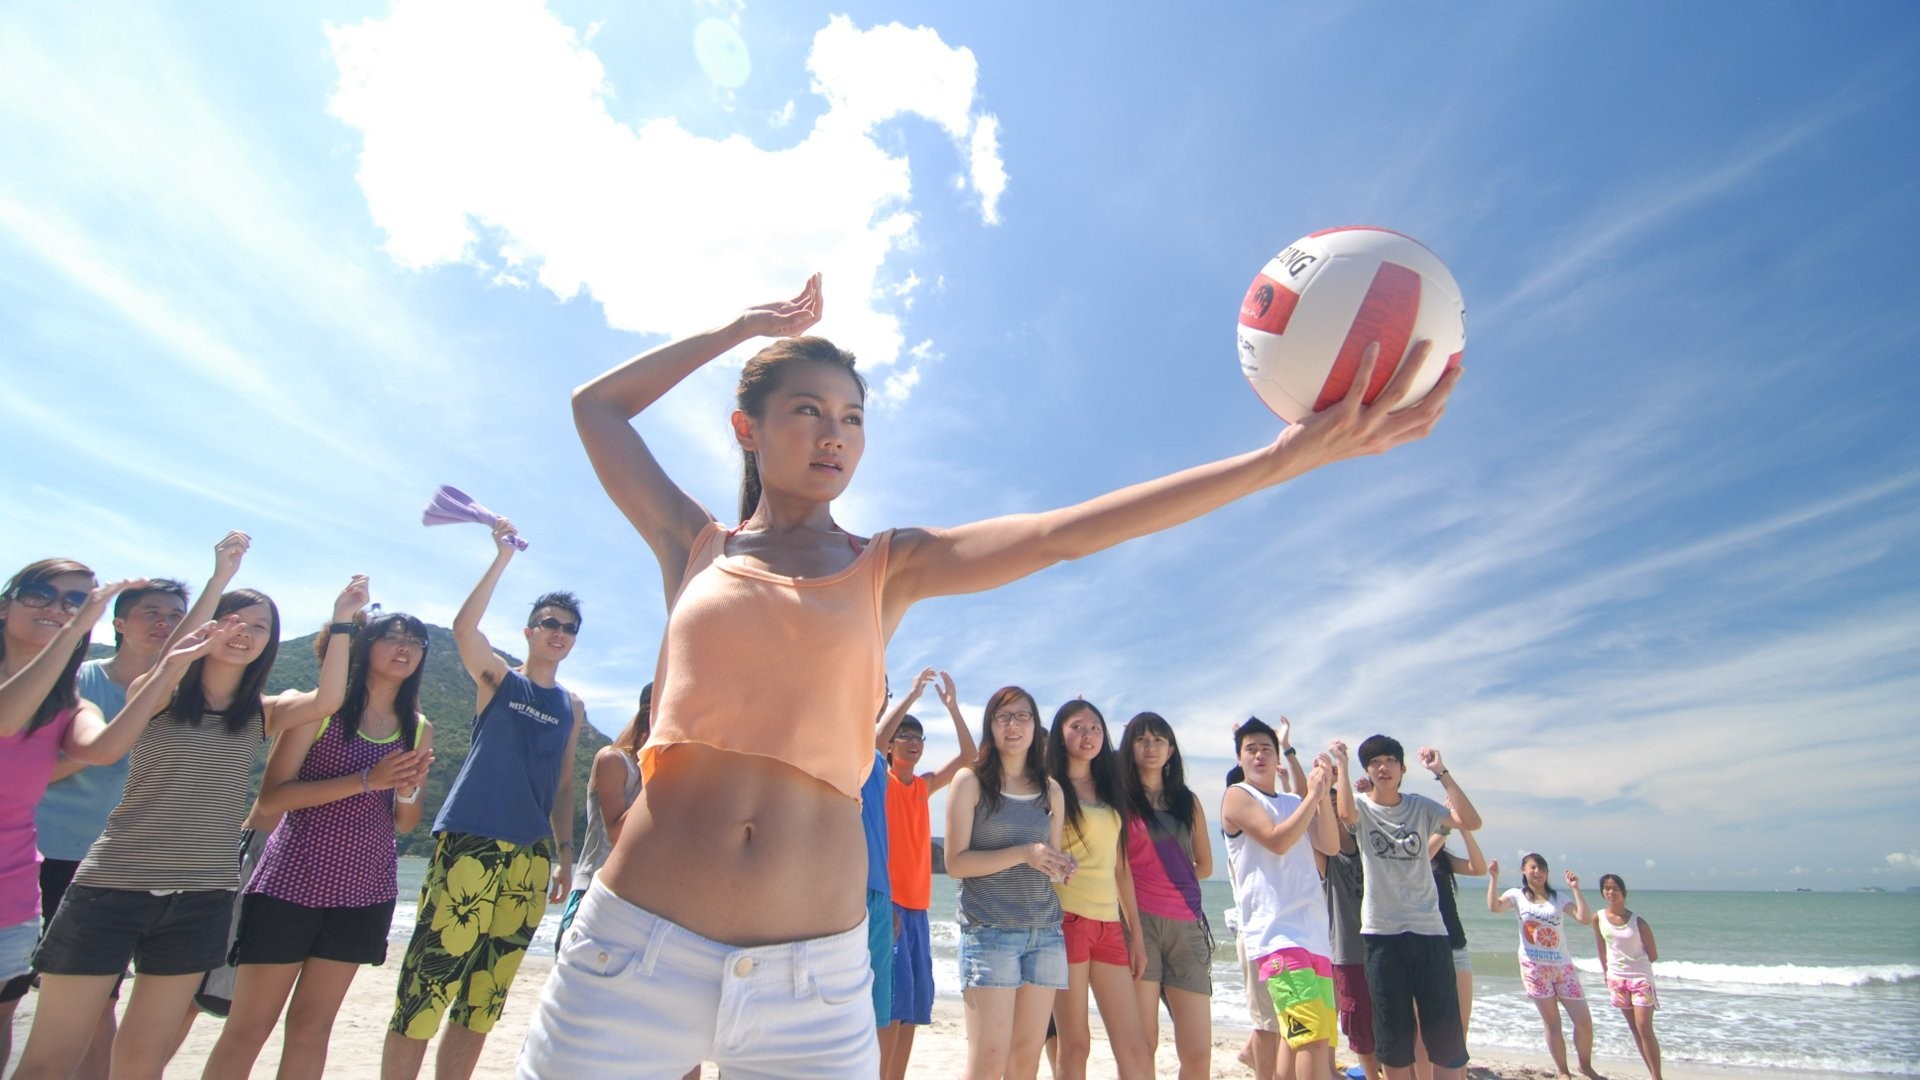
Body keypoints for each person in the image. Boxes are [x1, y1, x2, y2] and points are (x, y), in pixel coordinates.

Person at [521, 273, 1456, 1077]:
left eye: (852, 418)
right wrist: (742, 331)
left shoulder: (889, 564)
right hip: (636, 945)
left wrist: (1276, 463)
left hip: (814, 976)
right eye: (806, 411)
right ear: (747, 428)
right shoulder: (697, 546)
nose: (834, 435)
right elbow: (593, 408)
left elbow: (1068, 534)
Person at [17, 575, 366, 1080]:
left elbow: (327, 700)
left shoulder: (262, 713)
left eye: (260, 627)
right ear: (205, 627)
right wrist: (212, 590)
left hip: (201, 898)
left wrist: (341, 621)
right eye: (233, 621)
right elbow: (150, 688)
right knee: (51, 1059)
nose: (245, 633)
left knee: (142, 1058)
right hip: (111, 887)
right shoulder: (157, 692)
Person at [33, 535, 242, 1079]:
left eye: (175, 615)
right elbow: (36, 769)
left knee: (107, 1010)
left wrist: (219, 576)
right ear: (118, 623)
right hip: (58, 857)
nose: (164, 623)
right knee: (61, 1005)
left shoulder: (192, 697)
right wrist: (108, 744)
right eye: (150, 613)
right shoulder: (79, 681)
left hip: (144, 868)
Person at [385, 521, 586, 1080]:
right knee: (427, 986)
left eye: (569, 628)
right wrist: (501, 558)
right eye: (549, 623)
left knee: (484, 997)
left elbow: (565, 784)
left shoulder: (572, 705)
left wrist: (564, 856)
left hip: (530, 857)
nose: (559, 633)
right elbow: (463, 627)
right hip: (472, 837)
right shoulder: (499, 678)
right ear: (528, 630)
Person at [202, 610, 437, 1080]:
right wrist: (367, 779)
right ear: (364, 644)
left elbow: (403, 821)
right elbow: (273, 797)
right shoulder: (321, 709)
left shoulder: (417, 727)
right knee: (250, 1027)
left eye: (414, 641)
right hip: (291, 880)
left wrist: (408, 787)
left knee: (313, 1027)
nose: (404, 647)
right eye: (392, 636)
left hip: (364, 889)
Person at [0, 561, 131, 1063]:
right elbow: (7, 717)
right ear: (7, 603)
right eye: (40, 594)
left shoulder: (69, 702)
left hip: (12, 892)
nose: (58, 608)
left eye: (76, 601)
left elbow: (101, 749)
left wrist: (165, 673)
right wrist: (73, 631)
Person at [1333, 735, 1482, 1080]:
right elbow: (1344, 813)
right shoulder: (1361, 807)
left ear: (1402, 768)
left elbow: (1471, 821)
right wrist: (1340, 764)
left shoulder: (1421, 806)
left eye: (1389, 760)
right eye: (1374, 762)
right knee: (1394, 1038)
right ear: (1366, 770)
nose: (1382, 767)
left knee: (1445, 1036)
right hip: (1382, 937)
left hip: (1430, 933)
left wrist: (1441, 771)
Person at [945, 686, 1073, 1080]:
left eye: (1022, 716)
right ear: (991, 726)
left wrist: (1060, 865)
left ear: (1035, 726)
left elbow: (1047, 859)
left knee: (1025, 1059)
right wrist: (1023, 853)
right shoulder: (970, 782)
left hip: (1045, 933)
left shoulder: (1051, 789)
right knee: (988, 1057)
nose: (1013, 725)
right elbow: (955, 862)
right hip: (989, 932)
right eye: (1004, 717)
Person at [1221, 718, 1341, 1080]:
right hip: (1277, 936)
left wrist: (1321, 799)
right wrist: (1314, 797)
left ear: (1278, 759)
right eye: (1251, 749)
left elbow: (1331, 845)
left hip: (1314, 935)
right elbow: (1276, 839)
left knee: (1301, 1039)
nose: (1259, 755)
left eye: (1266, 749)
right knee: (1312, 1039)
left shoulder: (1292, 801)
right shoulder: (1238, 795)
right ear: (1239, 758)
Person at [875, 667, 974, 1080]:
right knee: (891, 1010)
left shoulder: (922, 786)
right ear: (894, 745)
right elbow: (874, 742)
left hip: (918, 911)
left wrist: (952, 708)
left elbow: (969, 757)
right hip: (891, 906)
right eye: (906, 738)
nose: (913, 744)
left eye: (919, 739)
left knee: (914, 1009)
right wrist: (913, 696)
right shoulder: (880, 779)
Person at [1045, 699, 1152, 1080]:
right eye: (1076, 726)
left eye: (1094, 727)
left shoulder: (1111, 790)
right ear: (1060, 733)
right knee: (1075, 1043)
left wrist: (1135, 935)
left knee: (1135, 1046)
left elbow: (1121, 867)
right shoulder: (1050, 787)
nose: (1087, 735)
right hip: (1066, 921)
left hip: (1108, 926)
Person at [1119, 711, 1214, 1080]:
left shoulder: (1187, 802)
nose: (1151, 746)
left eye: (1159, 739)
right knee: (1142, 1045)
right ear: (1130, 747)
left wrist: (1171, 878)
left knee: (1197, 1052)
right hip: (1136, 924)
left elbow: (1204, 864)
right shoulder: (1119, 799)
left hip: (1187, 927)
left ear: (1171, 749)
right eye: (1141, 739)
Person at [1488, 854, 1600, 1080]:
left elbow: (1584, 918)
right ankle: (1563, 1071)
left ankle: (1585, 1066)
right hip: (1535, 968)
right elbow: (1494, 907)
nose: (1537, 871)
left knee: (1584, 1022)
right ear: (1523, 870)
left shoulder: (1558, 897)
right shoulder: (1516, 895)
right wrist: (1494, 878)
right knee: (1552, 1023)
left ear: (1547, 873)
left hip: (1563, 967)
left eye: (1542, 868)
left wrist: (1576, 889)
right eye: (1533, 867)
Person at [558, 684, 650, 943]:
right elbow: (617, 834)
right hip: (595, 890)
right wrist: (658, 776)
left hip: (640, 902)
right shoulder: (614, 760)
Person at [1413, 818, 1486, 1080]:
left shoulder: (1443, 860)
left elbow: (1479, 869)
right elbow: (1419, 860)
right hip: (1422, 950)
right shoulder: (1409, 858)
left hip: (1455, 946)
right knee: (1422, 1032)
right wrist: (1446, 828)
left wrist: (1463, 827)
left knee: (1459, 1028)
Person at [1324, 777, 1381, 1080]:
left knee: (1385, 1014)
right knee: (1355, 1018)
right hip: (1347, 949)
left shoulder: (1368, 843)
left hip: (1383, 944)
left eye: (1339, 807)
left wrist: (1368, 792)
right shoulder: (1329, 849)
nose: (1336, 813)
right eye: (1329, 807)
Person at [1593, 874, 1661, 1080]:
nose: (1610, 892)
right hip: (1617, 979)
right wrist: (1606, 973)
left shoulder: (1637, 921)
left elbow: (1653, 954)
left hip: (1640, 978)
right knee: (1635, 1030)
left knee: (1644, 1027)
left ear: (1624, 892)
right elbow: (1602, 949)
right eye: (1606, 888)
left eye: (1615, 888)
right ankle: (1652, 1073)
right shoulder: (1598, 918)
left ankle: (1657, 1077)